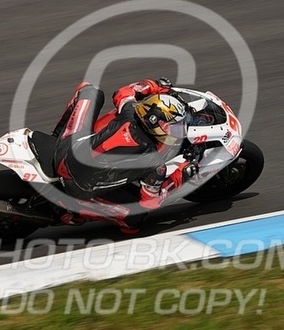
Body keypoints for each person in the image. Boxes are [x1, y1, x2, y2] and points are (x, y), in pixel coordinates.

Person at [51, 77, 200, 233]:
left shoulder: (130, 112)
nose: (178, 132)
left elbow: (122, 92)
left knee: (89, 90)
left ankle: (56, 137)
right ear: (156, 123)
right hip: (77, 189)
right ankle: (74, 210)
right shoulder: (154, 162)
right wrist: (180, 176)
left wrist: (154, 86)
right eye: (173, 127)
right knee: (134, 220)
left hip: (65, 152)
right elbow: (150, 203)